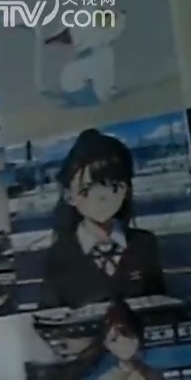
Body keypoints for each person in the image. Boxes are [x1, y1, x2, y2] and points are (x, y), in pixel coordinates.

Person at [40, 129, 165, 309]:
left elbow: (162, 309)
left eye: (114, 186)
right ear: (69, 196)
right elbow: (49, 317)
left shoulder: (144, 244)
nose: (102, 198)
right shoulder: (59, 256)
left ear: (127, 189)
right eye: (87, 189)